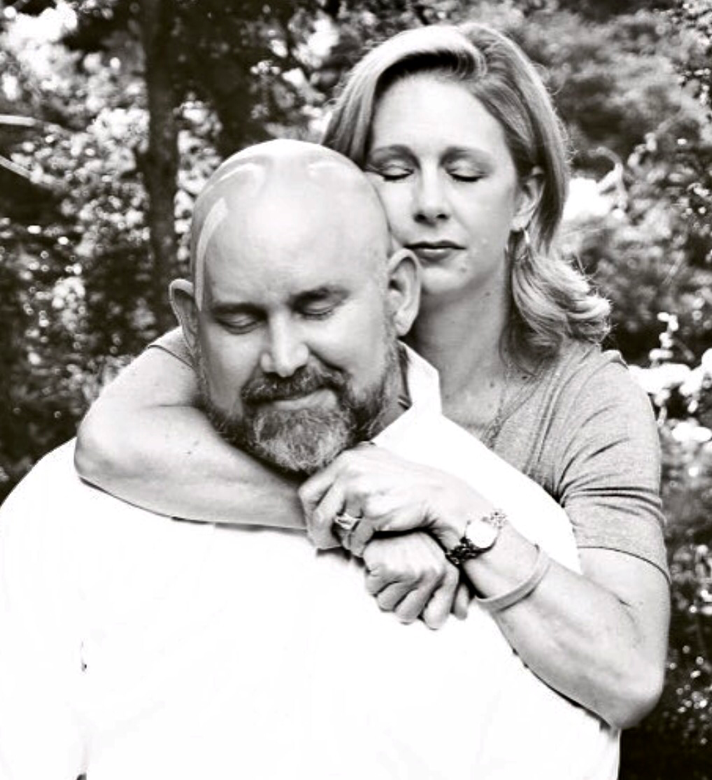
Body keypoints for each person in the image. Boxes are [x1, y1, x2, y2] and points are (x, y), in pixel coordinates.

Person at [75, 22, 670, 732]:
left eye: (465, 172)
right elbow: (111, 441)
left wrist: (457, 515)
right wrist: (357, 514)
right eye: (393, 170)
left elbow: (629, 676)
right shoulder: (287, 333)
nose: (428, 204)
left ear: (525, 197)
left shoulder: (590, 402)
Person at [0, 140, 617, 780]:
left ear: (398, 294)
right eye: (240, 320)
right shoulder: (68, 511)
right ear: (190, 323)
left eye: (317, 308)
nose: (284, 358)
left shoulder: (513, 535)